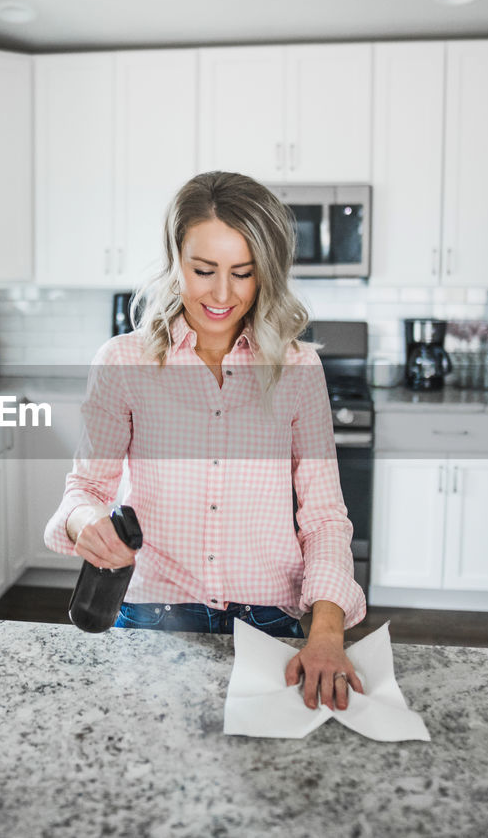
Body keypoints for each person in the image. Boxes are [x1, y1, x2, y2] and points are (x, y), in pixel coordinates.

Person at [44, 171, 367, 712]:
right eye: (203, 270)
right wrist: (85, 523)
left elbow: (325, 516)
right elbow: (83, 490)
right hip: (152, 614)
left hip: (269, 620)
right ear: (175, 260)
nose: (222, 294)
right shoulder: (124, 362)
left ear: (267, 272)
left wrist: (327, 633)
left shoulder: (297, 368)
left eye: (243, 273)